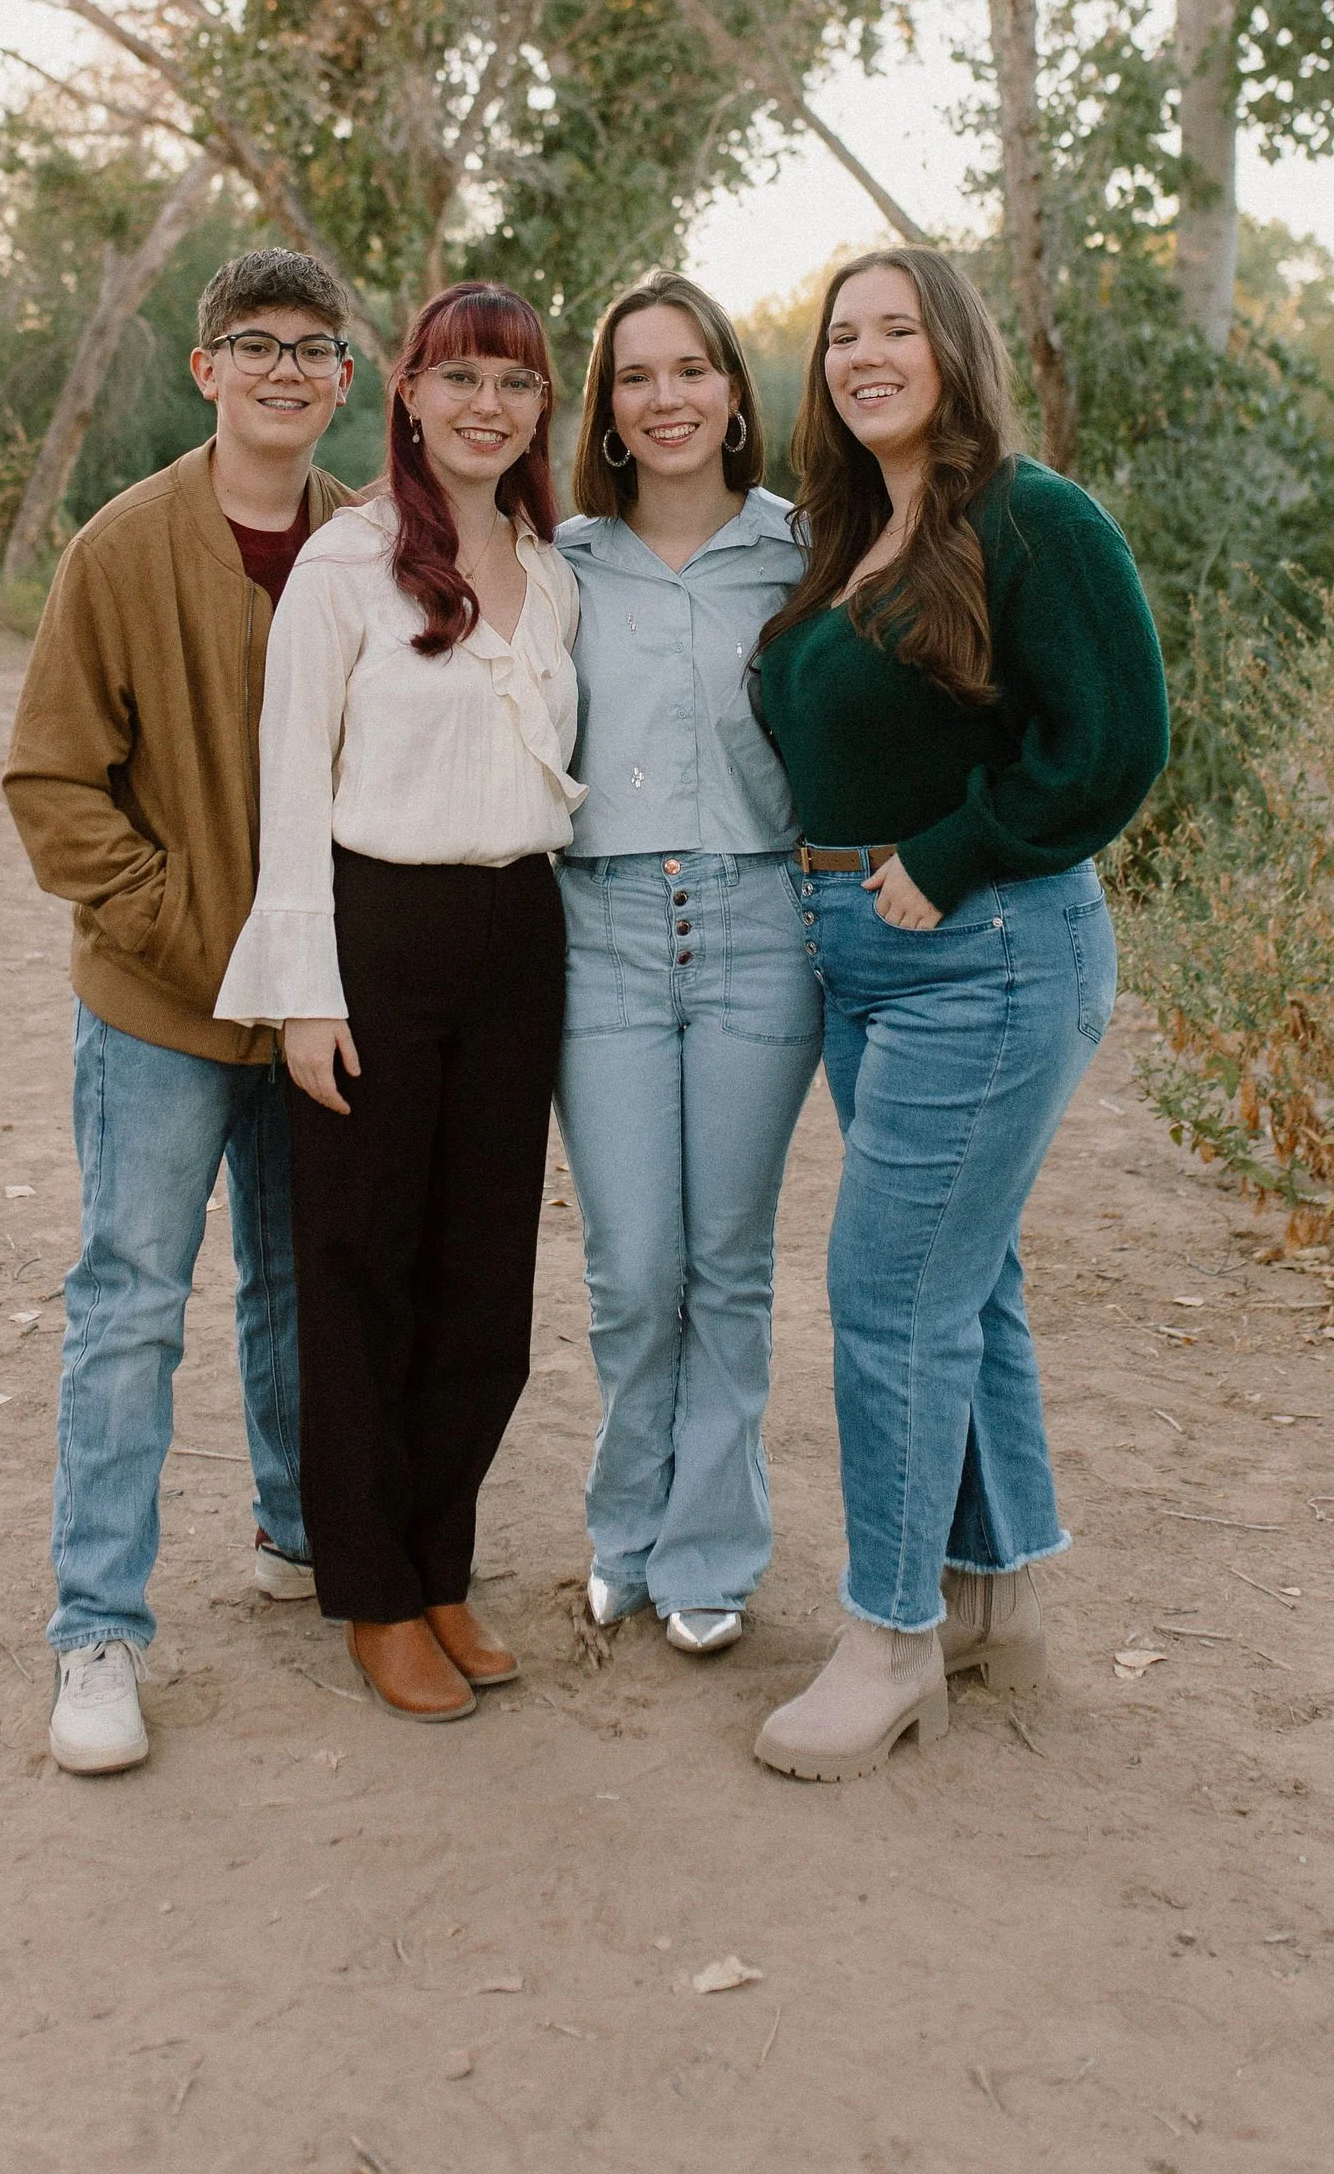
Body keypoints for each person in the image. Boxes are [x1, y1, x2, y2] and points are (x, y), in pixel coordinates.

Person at [749, 248, 1168, 1782]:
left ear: (955, 348)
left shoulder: (1033, 517)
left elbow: (1117, 740)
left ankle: (888, 1639)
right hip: (859, 958)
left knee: (891, 1298)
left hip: (987, 951)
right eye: (842, 336)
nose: (865, 357)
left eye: (896, 330)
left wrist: (957, 852)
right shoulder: (851, 532)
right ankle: (992, 1600)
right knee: (962, 1285)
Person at [3, 246, 361, 1776]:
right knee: (132, 1300)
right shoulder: (123, 548)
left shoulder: (370, 545)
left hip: (322, 1014)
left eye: (314, 347)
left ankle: (297, 1534)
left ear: (345, 378)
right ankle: (98, 1628)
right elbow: (53, 787)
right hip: (161, 1006)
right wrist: (197, 939)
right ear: (205, 367)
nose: (285, 369)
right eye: (253, 343)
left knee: (299, 1282)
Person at [217, 282, 581, 1725]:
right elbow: (288, 783)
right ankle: (371, 1594)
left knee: (486, 1283)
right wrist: (305, 992)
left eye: (516, 382)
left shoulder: (554, 572)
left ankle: (442, 1567)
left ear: (541, 409)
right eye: (461, 378)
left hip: (518, 939)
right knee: (361, 1271)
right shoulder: (345, 567)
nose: (487, 404)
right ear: (411, 397)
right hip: (379, 928)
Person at [555, 273, 818, 1657]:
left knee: (727, 1260)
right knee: (630, 1266)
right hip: (595, 928)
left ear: (731, 391)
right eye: (637, 376)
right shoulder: (561, 557)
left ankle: (708, 1551)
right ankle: (623, 1529)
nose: (666, 398)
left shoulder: (803, 550)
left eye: (691, 370)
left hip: (760, 924)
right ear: (608, 407)